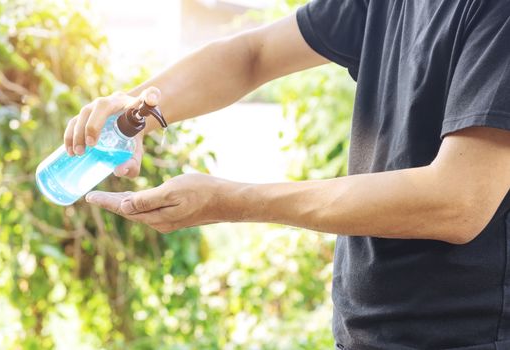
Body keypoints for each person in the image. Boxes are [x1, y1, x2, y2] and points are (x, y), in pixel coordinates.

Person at [65, 1, 510, 349]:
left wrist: (232, 202)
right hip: (367, 332)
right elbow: (252, 55)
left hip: (464, 337)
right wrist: (138, 109)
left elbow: (458, 200)